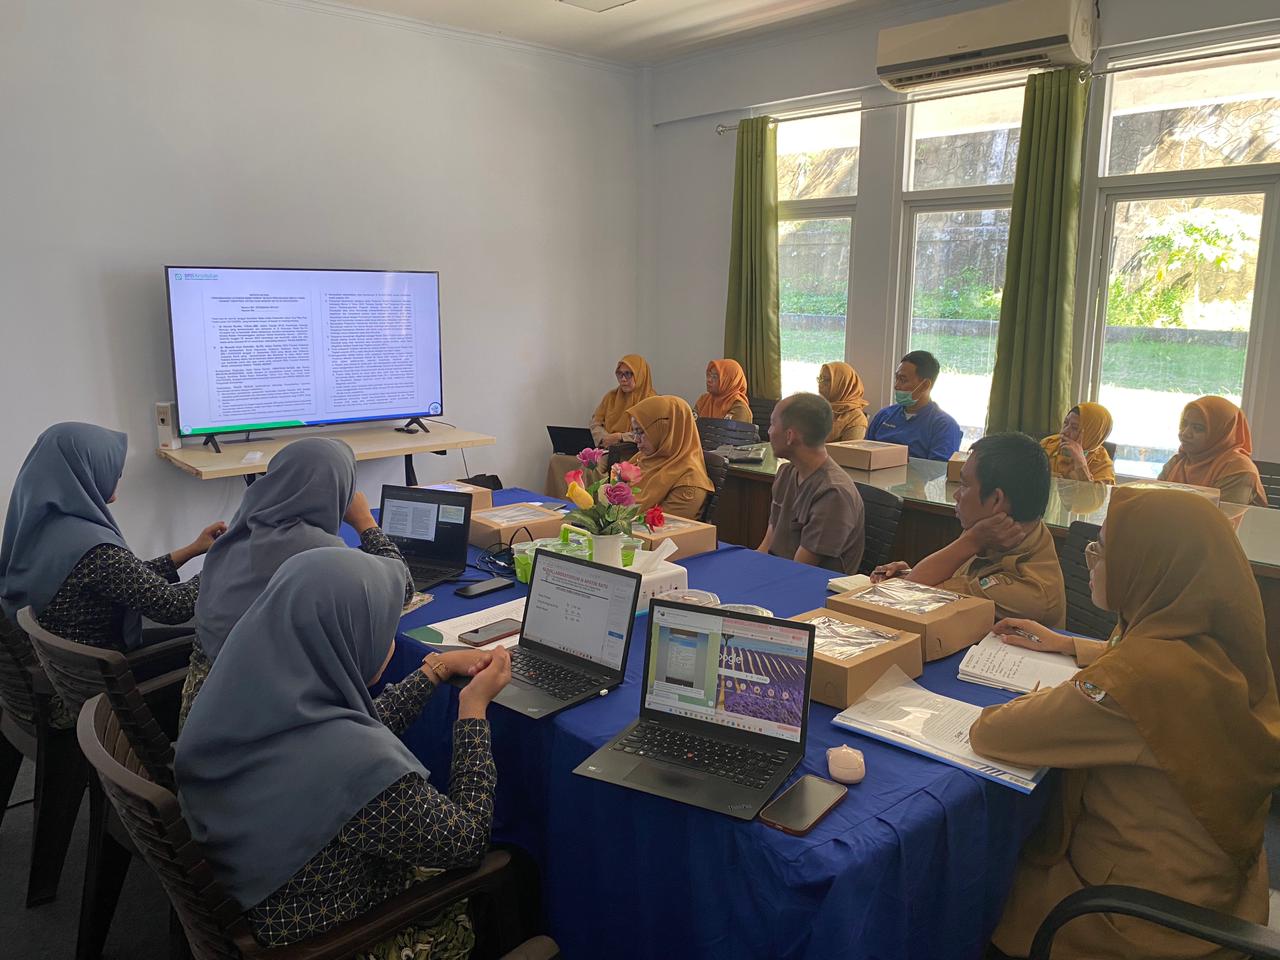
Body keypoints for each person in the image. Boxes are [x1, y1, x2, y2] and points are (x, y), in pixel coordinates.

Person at [970, 489, 1280, 960]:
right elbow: (1161, 663)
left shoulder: (1135, 680)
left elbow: (993, 733)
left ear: (1149, 566)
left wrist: (1062, 691)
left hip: (1133, 919)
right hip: (1219, 888)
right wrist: (1070, 646)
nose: (1092, 561)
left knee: (972, 883)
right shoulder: (1225, 643)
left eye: (1103, 549)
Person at [176, 548, 512, 954]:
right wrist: (472, 710)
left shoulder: (240, 700)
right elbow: (469, 842)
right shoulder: (356, 770)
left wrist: (434, 669)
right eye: (382, 628)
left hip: (261, 904)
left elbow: (349, 734)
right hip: (337, 939)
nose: (390, 642)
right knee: (512, 876)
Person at [179, 437, 413, 725]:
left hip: (201, 719)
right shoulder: (318, 553)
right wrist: (366, 523)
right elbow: (403, 590)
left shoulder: (238, 536)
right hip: (267, 730)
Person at [0, 422, 223, 651]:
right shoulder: (93, 548)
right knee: (212, 640)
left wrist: (193, 549)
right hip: (102, 662)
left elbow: (123, 578)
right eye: (113, 471)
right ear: (86, 471)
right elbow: (174, 607)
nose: (117, 480)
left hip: (63, 657)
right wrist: (225, 565)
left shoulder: (43, 527)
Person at [871, 432, 1065, 628]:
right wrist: (907, 573)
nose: (956, 495)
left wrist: (970, 541)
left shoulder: (1027, 590)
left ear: (996, 500)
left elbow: (905, 596)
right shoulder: (997, 528)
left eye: (964, 485)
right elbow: (939, 583)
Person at [757, 393, 865, 574]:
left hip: (810, 584)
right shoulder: (786, 473)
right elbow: (767, 547)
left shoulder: (833, 493)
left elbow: (799, 570)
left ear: (790, 436)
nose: (769, 432)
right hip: (778, 573)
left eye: (773, 424)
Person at [1158, 396, 1267, 506]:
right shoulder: (1178, 462)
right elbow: (1153, 501)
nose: (1185, 433)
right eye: (1184, 424)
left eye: (1198, 428)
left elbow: (1223, 515)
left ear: (1221, 433)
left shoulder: (1238, 469)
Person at [627, 396, 714, 520]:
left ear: (666, 430)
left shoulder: (688, 483)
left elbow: (660, 526)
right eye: (634, 432)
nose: (636, 439)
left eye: (640, 432)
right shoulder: (646, 457)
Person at [865, 350, 963, 461]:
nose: (896, 386)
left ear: (925, 385)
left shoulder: (944, 425)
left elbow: (938, 468)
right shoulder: (884, 415)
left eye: (903, 380)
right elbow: (864, 455)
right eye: (896, 378)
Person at [590, 354, 656, 447]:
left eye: (628, 374)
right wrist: (604, 438)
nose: (623, 379)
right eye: (619, 374)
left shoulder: (652, 401)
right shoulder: (611, 396)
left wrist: (621, 437)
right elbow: (596, 422)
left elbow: (651, 432)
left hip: (639, 451)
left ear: (641, 375)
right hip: (609, 448)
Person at [1041, 402, 1115, 484]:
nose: (1064, 431)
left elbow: (1096, 492)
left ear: (1091, 434)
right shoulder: (1048, 443)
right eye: (1065, 423)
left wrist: (1081, 463)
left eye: (1075, 428)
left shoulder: (1103, 465)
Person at [818, 362, 869, 442]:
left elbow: (849, 450)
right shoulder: (818, 408)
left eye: (826, 380)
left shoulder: (856, 419)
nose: (820, 384)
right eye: (820, 378)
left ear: (843, 384)